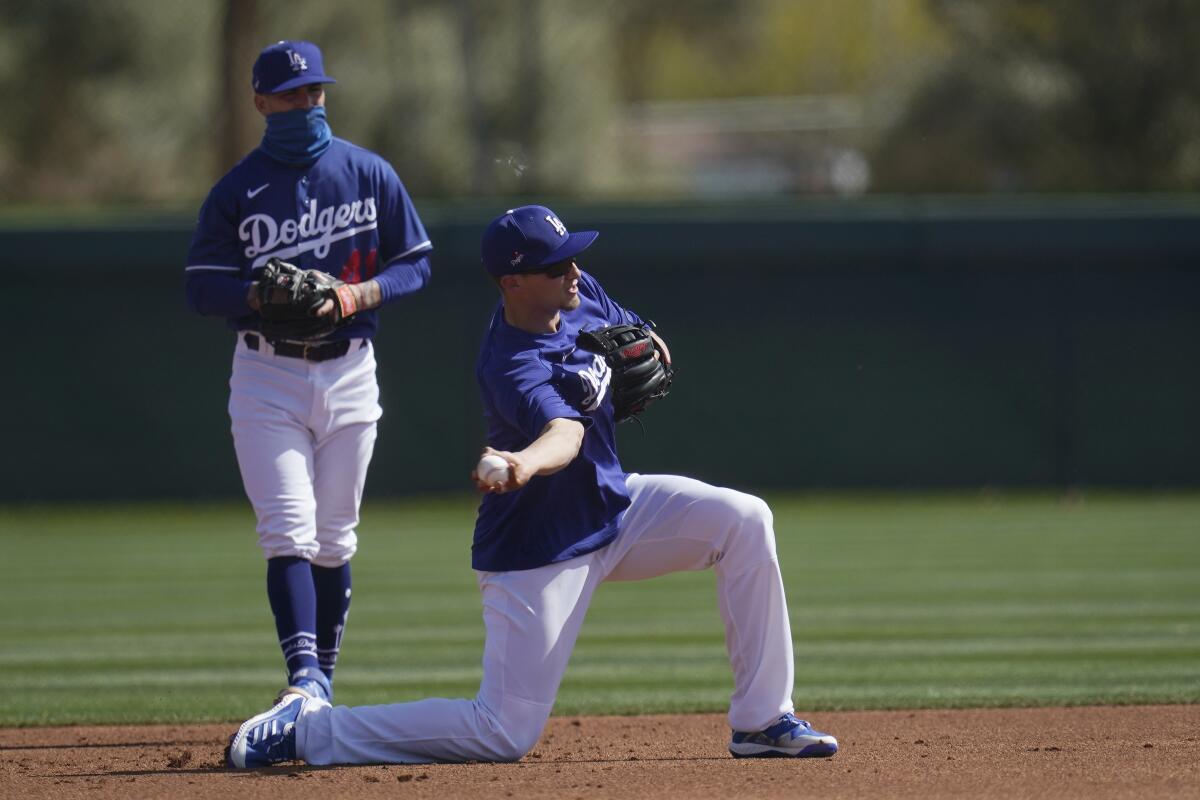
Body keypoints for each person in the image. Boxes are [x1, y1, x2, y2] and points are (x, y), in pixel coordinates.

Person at [225, 205, 836, 768]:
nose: (573, 271)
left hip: (614, 507)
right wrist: (521, 465)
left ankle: (761, 721)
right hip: (538, 547)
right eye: (554, 265)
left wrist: (649, 355)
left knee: (745, 519)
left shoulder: (580, 291)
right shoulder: (509, 360)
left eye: (572, 255)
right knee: (503, 732)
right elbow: (564, 436)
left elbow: (647, 344)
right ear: (512, 281)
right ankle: (306, 731)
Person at [186, 40, 433, 704]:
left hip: (351, 369)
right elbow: (203, 288)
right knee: (288, 528)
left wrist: (357, 295)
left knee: (335, 536)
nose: (306, 104)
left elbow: (415, 264)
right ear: (261, 102)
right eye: (292, 95)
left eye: (315, 92)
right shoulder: (237, 190)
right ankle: (303, 677)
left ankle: (320, 683)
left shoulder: (368, 172)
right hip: (268, 375)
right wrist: (257, 298)